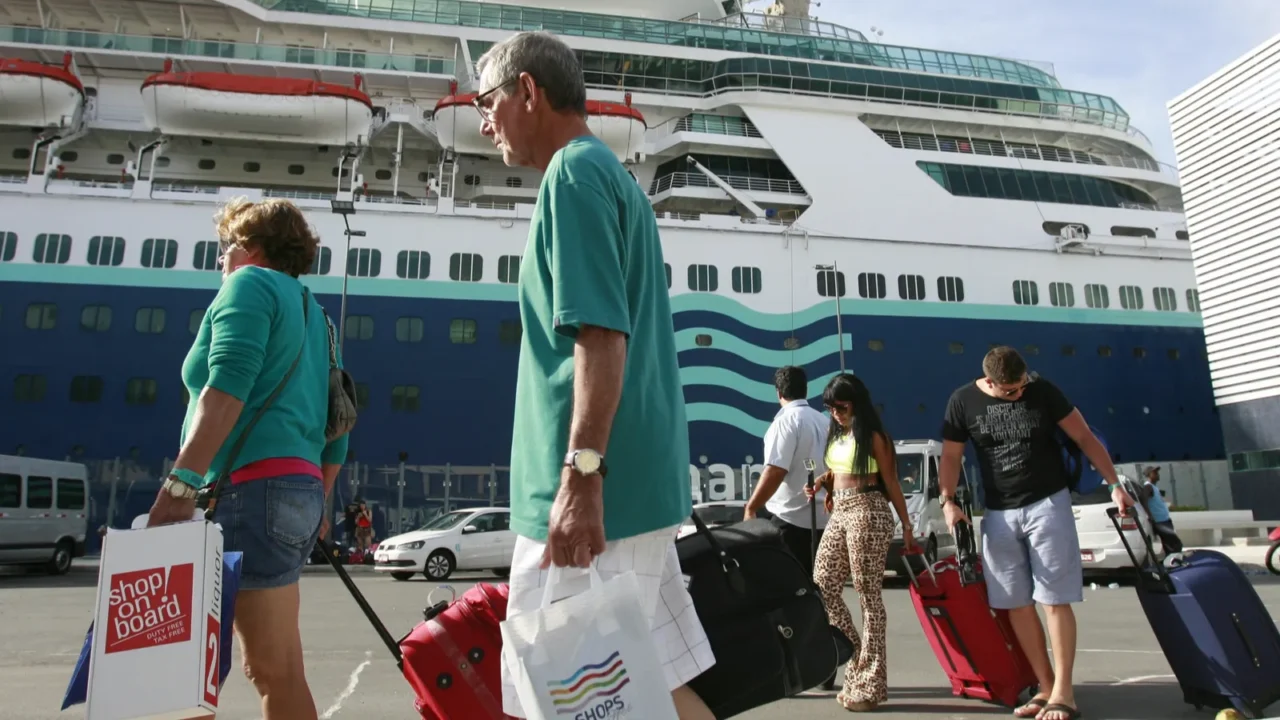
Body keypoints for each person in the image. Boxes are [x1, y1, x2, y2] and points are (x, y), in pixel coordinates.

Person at [475, 31, 716, 719]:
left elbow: (601, 337)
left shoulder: (572, 176)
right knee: (648, 692)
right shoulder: (608, 174)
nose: (484, 121)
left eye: (486, 102)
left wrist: (581, 481)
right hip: (630, 492)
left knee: (554, 693)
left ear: (527, 91)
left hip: (598, 502)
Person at [146, 197, 348, 720]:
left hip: (245, 491)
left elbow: (227, 390)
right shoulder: (318, 317)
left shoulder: (248, 285)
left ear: (251, 247)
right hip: (296, 493)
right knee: (278, 669)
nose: (221, 259)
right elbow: (339, 428)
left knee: (182, 661)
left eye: (226, 246)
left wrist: (180, 487)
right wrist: (319, 502)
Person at [938, 346, 1131, 720]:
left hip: (1047, 504)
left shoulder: (1042, 391)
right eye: (1011, 390)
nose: (1019, 393)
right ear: (990, 382)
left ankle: (1064, 692)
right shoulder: (962, 401)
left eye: (1022, 385)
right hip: (997, 513)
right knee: (1014, 604)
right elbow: (951, 456)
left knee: (1054, 599)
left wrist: (1115, 484)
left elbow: (1085, 437)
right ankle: (1045, 685)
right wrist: (948, 501)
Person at [807, 373, 916, 712]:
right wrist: (825, 481)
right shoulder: (836, 433)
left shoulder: (875, 437)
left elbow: (891, 481)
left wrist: (908, 525)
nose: (835, 412)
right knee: (822, 583)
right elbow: (839, 468)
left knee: (869, 596)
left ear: (857, 403)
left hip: (869, 510)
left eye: (841, 406)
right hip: (840, 511)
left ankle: (869, 683)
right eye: (830, 407)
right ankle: (856, 655)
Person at [743, 365, 830, 575]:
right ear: (805, 390)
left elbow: (775, 470)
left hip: (791, 521)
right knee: (818, 588)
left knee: (786, 586)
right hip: (825, 520)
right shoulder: (825, 421)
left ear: (778, 392)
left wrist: (751, 507)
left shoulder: (784, 423)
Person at [1141, 466, 1183, 553]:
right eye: (1155, 473)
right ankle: (1173, 562)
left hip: (1164, 520)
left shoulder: (1154, 487)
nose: (1157, 475)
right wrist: (1150, 515)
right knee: (1175, 544)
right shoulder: (1148, 487)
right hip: (1159, 522)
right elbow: (1143, 500)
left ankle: (1171, 562)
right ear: (1149, 475)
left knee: (1170, 545)